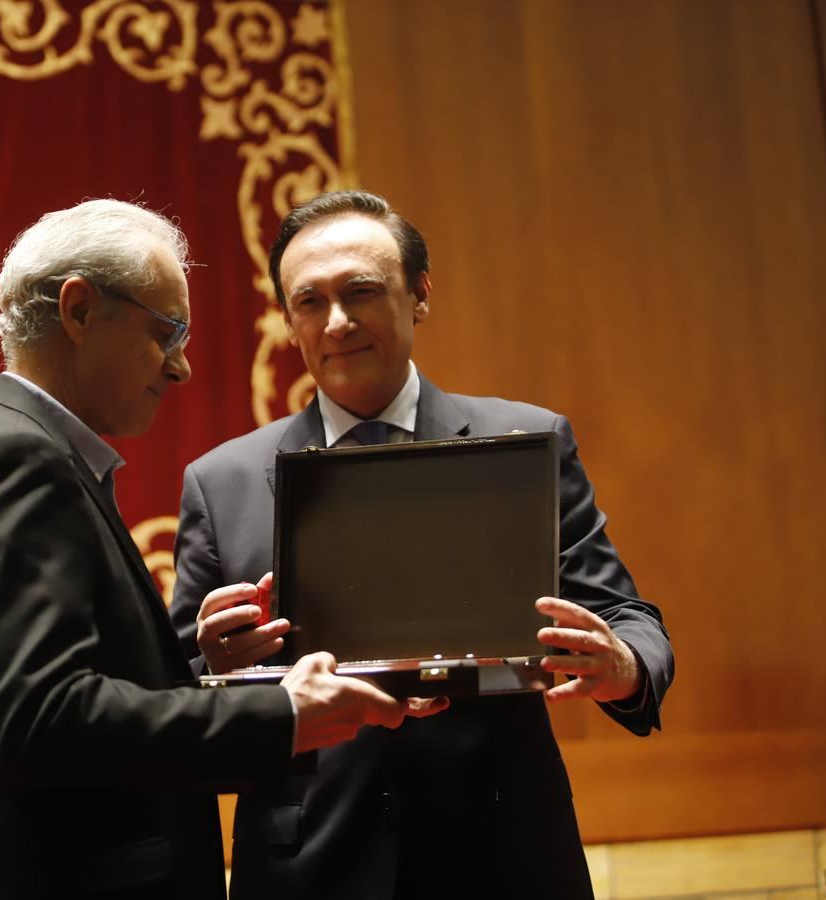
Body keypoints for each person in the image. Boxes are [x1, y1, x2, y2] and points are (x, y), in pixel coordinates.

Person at [0, 199, 446, 900]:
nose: (181, 367)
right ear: (79, 310)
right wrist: (285, 712)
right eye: (167, 333)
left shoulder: (19, 449)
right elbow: (47, 722)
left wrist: (207, 672)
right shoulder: (12, 462)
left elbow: (71, 697)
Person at [171, 190, 674, 898]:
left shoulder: (525, 442)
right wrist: (217, 665)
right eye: (309, 302)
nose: (337, 321)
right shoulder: (220, 483)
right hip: (309, 865)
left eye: (362, 291)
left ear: (420, 295)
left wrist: (621, 663)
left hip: (501, 854)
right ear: (288, 321)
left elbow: (632, 624)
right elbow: (180, 708)